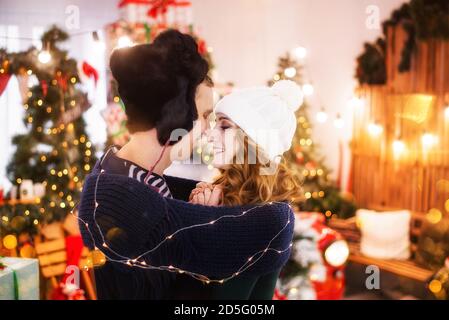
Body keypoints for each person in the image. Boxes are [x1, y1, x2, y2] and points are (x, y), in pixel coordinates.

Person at [78, 30, 294, 300]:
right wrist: (206, 222)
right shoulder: (122, 197)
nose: (207, 131)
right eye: (205, 117)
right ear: (175, 112)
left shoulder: (141, 179)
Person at [189, 80, 304, 299]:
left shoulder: (265, 218)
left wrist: (205, 223)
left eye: (224, 126)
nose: (210, 135)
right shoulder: (228, 194)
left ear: (254, 141)